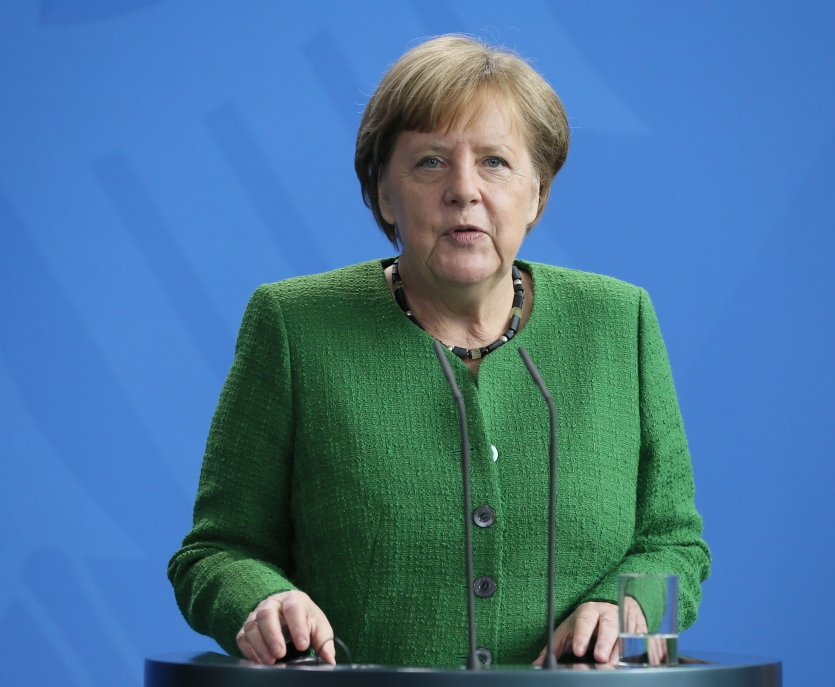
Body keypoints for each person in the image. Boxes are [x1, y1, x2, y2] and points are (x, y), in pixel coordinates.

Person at [167, 34, 710, 667]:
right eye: (429, 162)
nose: (463, 190)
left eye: (496, 162)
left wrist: (632, 611)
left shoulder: (622, 323)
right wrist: (260, 601)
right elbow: (212, 556)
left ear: (537, 193)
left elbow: (677, 547)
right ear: (382, 193)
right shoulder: (293, 325)